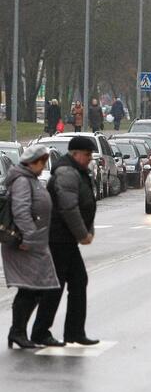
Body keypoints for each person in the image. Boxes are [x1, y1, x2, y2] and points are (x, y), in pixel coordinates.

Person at [32, 137, 98, 346]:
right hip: (59, 239)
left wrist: (88, 230)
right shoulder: (66, 173)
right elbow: (69, 208)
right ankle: (41, 332)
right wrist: (83, 234)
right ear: (76, 153)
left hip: (65, 239)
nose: (89, 159)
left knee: (78, 282)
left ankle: (74, 332)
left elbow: (85, 205)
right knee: (57, 285)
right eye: (87, 155)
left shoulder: (75, 171)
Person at [1, 145, 60, 348]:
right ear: (32, 162)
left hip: (34, 242)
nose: (43, 167)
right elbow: (21, 210)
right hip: (24, 244)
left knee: (36, 287)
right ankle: (18, 332)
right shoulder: (22, 181)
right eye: (41, 162)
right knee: (31, 287)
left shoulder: (31, 179)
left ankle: (19, 332)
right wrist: (28, 237)